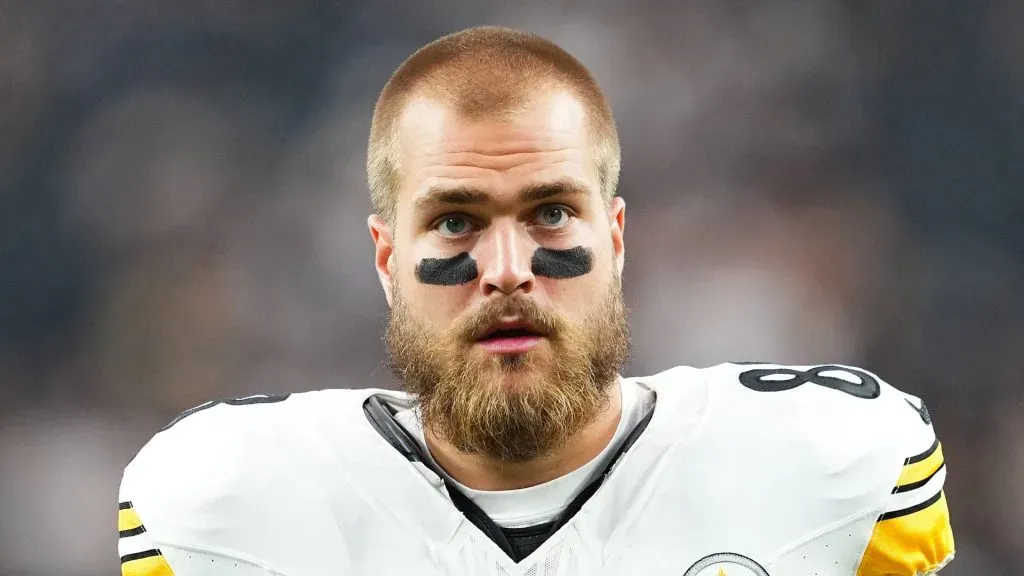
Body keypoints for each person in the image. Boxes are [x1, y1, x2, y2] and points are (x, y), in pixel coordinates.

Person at [117, 26, 954, 576]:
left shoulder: (831, 464)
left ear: (616, 238)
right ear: (385, 258)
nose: (509, 269)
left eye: (551, 212)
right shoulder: (220, 503)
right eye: (455, 222)